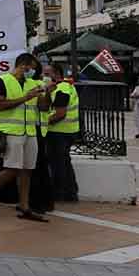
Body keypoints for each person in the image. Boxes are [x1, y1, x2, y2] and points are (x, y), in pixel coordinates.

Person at [0, 53, 49, 222]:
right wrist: (26, 97)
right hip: (11, 131)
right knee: (12, 168)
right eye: (31, 68)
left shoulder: (34, 83)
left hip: (29, 131)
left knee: (27, 170)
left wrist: (46, 93)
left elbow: (44, 108)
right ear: (22, 65)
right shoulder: (3, 81)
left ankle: (24, 206)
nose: (33, 71)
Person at [42, 63, 79, 204]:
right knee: (64, 163)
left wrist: (43, 123)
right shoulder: (65, 86)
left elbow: (60, 114)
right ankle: (71, 193)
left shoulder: (62, 89)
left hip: (59, 132)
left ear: (56, 74)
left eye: (47, 74)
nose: (44, 77)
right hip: (67, 131)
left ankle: (60, 194)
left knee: (58, 165)